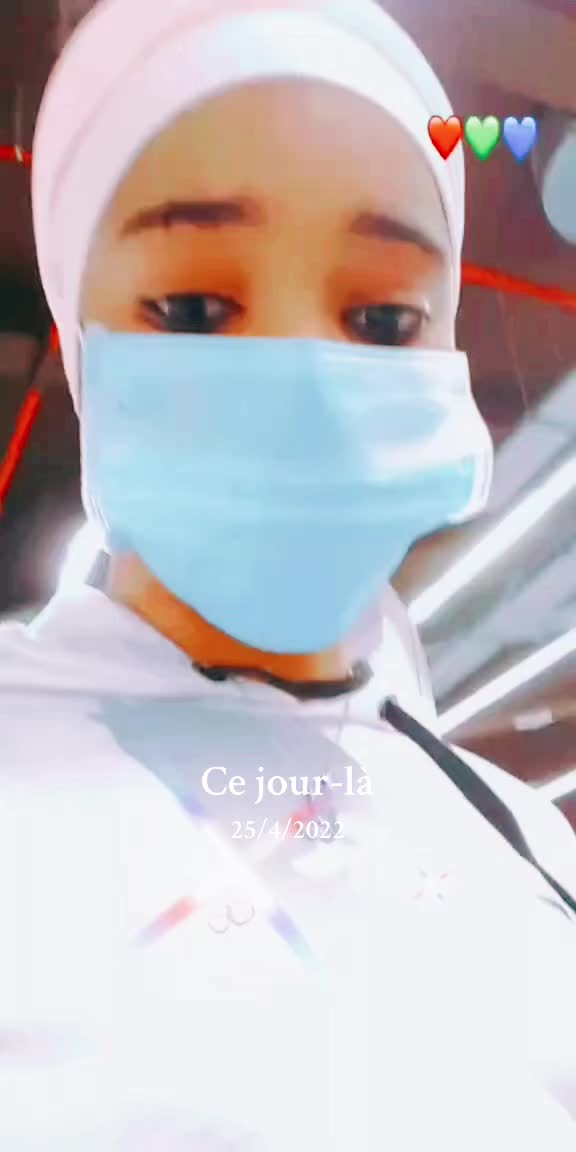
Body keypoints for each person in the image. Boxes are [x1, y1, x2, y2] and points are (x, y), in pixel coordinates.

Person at [0, 1, 575, 1148]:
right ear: (80, 344)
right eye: (197, 309)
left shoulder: (529, 846)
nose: (306, 381)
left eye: (384, 319)